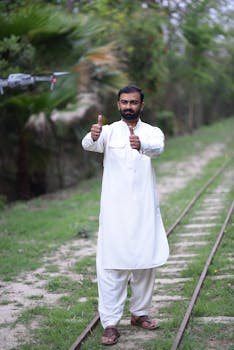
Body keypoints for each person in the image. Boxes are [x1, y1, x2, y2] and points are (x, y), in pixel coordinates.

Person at [82, 85, 169, 346]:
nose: (128, 106)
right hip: (114, 213)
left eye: (133, 102)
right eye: (124, 102)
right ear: (117, 105)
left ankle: (140, 313)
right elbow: (89, 144)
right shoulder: (107, 132)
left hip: (144, 211)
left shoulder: (152, 132)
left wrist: (141, 145)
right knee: (111, 267)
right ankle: (109, 323)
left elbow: (158, 148)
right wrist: (93, 134)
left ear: (142, 105)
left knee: (145, 264)